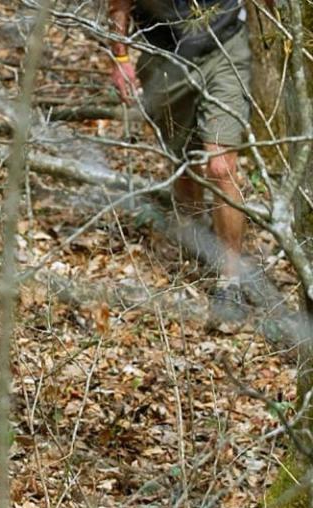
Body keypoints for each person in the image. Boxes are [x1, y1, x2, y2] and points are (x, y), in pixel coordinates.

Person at [108, 0, 271, 318]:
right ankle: (197, 241)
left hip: (224, 47)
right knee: (184, 163)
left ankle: (230, 281)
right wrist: (121, 58)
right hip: (165, 55)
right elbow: (118, 4)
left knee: (221, 166)